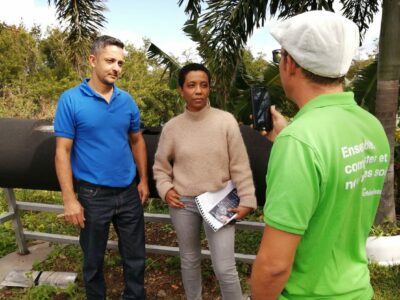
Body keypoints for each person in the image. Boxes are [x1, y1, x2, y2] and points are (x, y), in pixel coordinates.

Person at [251, 10, 390, 300]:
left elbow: (275, 266)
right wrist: (288, 136)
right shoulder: (371, 126)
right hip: (357, 290)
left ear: (289, 63)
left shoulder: (300, 141)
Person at [54, 35, 149, 300]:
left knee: (136, 257)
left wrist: (143, 180)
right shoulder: (71, 100)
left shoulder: (127, 101)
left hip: (129, 193)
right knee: (93, 260)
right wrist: (69, 198)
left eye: (120, 63)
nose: (116, 67)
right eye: (110, 60)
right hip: (93, 195)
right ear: (93, 60)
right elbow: (62, 151)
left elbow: (137, 140)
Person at [153, 63, 257, 300]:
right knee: (189, 261)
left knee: (225, 267)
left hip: (220, 202)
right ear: (181, 90)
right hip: (183, 204)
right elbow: (160, 166)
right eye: (191, 85)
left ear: (209, 89)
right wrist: (165, 188)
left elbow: (239, 164)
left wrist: (247, 199)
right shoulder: (172, 127)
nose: (198, 90)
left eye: (204, 85)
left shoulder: (225, 121)